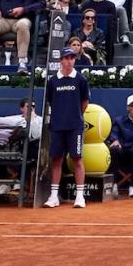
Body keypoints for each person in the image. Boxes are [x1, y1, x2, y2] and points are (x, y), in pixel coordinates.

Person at [42, 51, 91, 209]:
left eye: (72, 58)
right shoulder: (53, 81)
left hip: (75, 127)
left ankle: (79, 196)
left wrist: (74, 117)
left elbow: (84, 103)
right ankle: (54, 196)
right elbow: (51, 101)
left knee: (77, 159)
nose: (70, 61)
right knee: (56, 160)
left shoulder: (80, 79)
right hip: (57, 126)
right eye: (67, 58)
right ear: (61, 60)